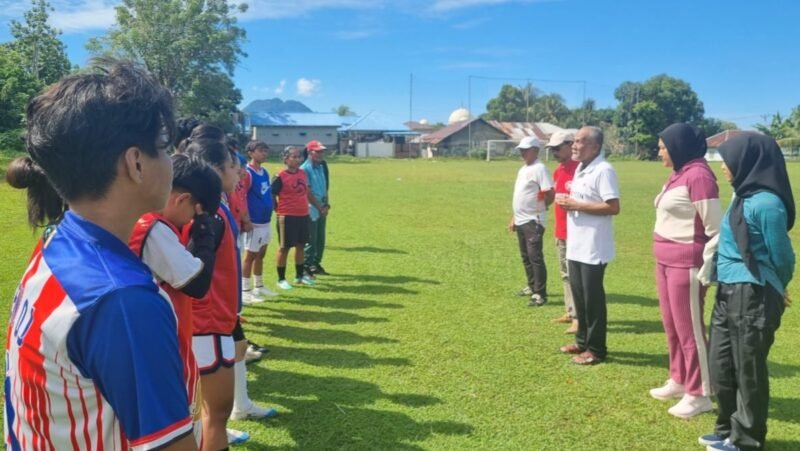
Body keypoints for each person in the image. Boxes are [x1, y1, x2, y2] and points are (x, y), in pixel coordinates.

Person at [4, 60, 197, 449]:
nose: (171, 161)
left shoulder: (59, 241)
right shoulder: (122, 301)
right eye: (163, 147)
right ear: (136, 163)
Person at [699, 134, 795, 451]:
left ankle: (747, 439)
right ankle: (727, 426)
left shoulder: (767, 204)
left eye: (728, 160)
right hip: (727, 288)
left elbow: (782, 257)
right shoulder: (743, 195)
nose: (723, 167)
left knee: (748, 368)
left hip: (752, 292)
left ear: (747, 161)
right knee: (722, 363)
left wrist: (775, 288)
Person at [129, 154, 222, 444]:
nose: (192, 222)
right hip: (158, 345)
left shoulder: (143, 221)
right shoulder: (152, 227)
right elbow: (196, 283)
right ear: (182, 199)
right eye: (195, 213)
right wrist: (205, 236)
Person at [650, 123, 720, 419]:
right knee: (672, 324)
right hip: (665, 261)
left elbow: (715, 228)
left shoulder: (700, 177)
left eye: (663, 147)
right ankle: (679, 378)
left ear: (678, 147)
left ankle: (700, 393)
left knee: (689, 328)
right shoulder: (679, 174)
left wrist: (707, 267)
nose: (659, 152)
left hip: (686, 262)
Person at [183, 137, 242, 450]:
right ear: (217, 170)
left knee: (207, 415)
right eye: (233, 166)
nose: (238, 173)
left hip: (213, 321)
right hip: (208, 323)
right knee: (216, 414)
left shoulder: (212, 209)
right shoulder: (209, 216)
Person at [557, 126, 620, 365]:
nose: (574, 145)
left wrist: (577, 205)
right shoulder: (582, 168)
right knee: (580, 297)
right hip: (577, 244)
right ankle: (582, 342)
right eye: (573, 141)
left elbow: (613, 207)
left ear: (594, 146)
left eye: (579, 142)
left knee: (593, 300)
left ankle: (596, 349)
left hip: (594, 247)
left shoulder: (604, 170)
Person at [508, 136, 554, 307]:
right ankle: (531, 285)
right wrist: (514, 217)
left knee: (535, 257)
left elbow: (548, 192)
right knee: (525, 256)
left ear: (535, 150)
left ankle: (540, 293)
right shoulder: (523, 169)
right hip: (521, 219)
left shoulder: (540, 169)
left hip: (533, 220)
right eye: (521, 150)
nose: (522, 153)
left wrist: (542, 208)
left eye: (525, 150)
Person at [272, 146, 326, 289]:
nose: (297, 159)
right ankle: (281, 279)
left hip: (303, 214)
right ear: (285, 159)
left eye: (298, 157)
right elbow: (272, 195)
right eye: (293, 157)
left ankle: (299, 276)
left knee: (301, 245)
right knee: (284, 247)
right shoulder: (280, 176)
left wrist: (319, 206)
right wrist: (277, 209)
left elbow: (307, 193)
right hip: (287, 216)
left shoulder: (302, 173)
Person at [546, 130, 580, 334]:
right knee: (565, 275)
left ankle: (579, 318)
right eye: (552, 150)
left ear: (570, 144)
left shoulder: (581, 170)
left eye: (557, 149)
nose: (555, 153)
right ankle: (570, 310)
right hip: (561, 231)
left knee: (576, 276)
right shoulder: (558, 171)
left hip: (577, 233)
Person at [242, 140, 278, 301]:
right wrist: (246, 218)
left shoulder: (264, 172)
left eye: (265, 150)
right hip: (254, 221)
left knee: (261, 253)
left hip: (265, 220)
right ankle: (245, 289)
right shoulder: (247, 173)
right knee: (250, 255)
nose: (264, 153)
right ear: (250, 153)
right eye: (260, 150)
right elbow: (242, 197)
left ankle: (259, 286)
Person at [301, 140, 331, 277]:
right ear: (309, 152)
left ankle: (315, 263)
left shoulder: (321, 167)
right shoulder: (304, 169)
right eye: (317, 151)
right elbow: (308, 192)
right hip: (311, 208)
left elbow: (325, 187)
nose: (320, 154)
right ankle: (306, 265)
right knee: (311, 239)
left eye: (322, 151)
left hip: (321, 207)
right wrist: (319, 207)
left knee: (320, 238)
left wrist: (326, 205)